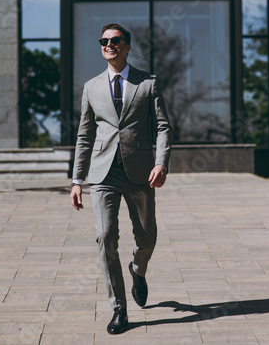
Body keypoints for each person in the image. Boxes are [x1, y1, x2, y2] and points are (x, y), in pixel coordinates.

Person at [70, 23, 171, 334]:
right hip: (103, 175)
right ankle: (119, 309)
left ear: (127, 46)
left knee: (148, 238)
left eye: (115, 40)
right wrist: (77, 180)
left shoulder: (148, 83)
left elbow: (163, 127)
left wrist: (161, 163)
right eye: (104, 41)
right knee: (105, 237)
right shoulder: (91, 87)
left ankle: (138, 270)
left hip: (141, 171)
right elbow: (84, 135)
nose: (108, 44)